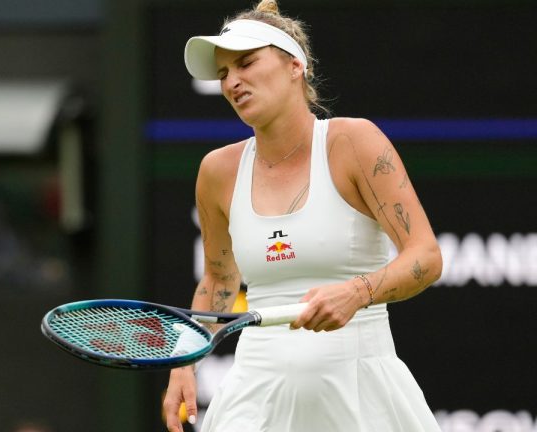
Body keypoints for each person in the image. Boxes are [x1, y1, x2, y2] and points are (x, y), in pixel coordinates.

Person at [162, 1, 443, 431]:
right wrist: (185, 361)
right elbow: (220, 279)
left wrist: (356, 292)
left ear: (296, 65)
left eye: (247, 63)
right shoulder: (216, 171)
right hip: (255, 395)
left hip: (361, 390)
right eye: (223, 74)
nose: (234, 81)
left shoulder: (354, 142)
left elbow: (425, 256)